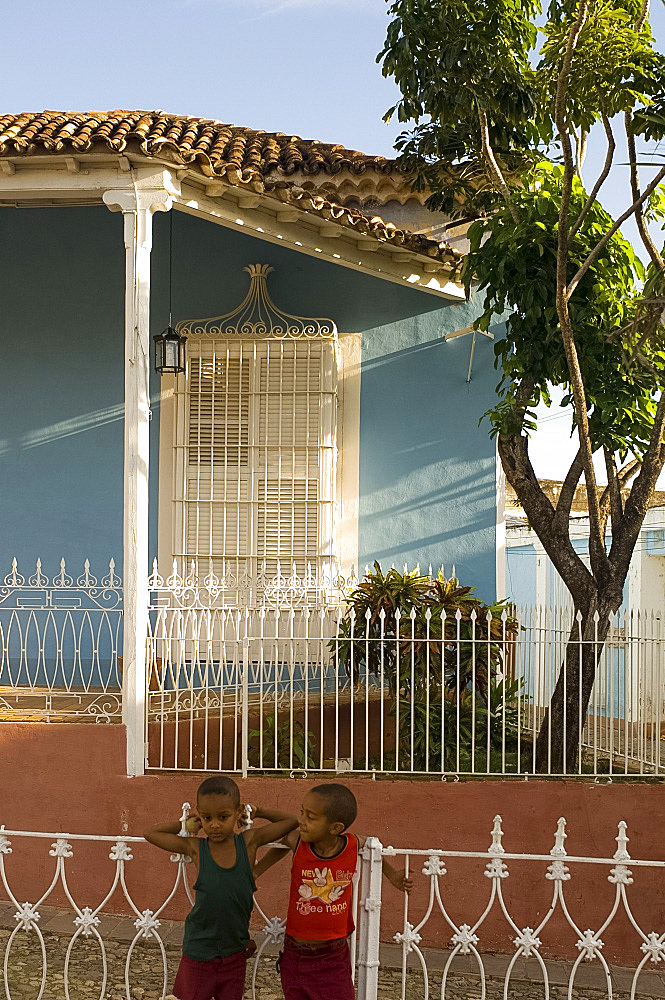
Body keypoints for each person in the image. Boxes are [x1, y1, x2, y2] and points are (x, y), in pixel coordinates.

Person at [253, 782, 412, 1000]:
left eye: (310, 817)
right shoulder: (298, 842)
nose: (301, 821)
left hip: (332, 956)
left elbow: (374, 849)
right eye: (302, 812)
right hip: (295, 954)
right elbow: (284, 829)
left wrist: (393, 875)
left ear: (335, 828)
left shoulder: (353, 844)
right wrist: (257, 869)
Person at [144, 775, 298, 1000]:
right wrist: (184, 825)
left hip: (234, 952)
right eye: (207, 818)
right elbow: (151, 834)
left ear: (237, 813)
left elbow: (292, 822)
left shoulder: (248, 842)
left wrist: (259, 811)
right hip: (199, 952)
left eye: (223, 817)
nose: (214, 825)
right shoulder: (197, 848)